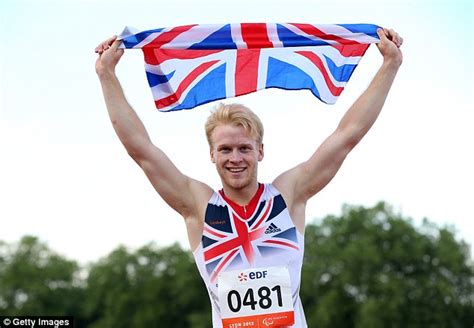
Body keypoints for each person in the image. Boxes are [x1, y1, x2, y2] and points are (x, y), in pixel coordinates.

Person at [95, 27, 403, 327]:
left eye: (244, 148)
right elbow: (142, 150)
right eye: (225, 149)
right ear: (212, 155)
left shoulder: (288, 195)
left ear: (260, 151)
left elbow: (347, 136)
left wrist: (390, 65)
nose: (235, 159)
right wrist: (107, 76)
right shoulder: (198, 205)